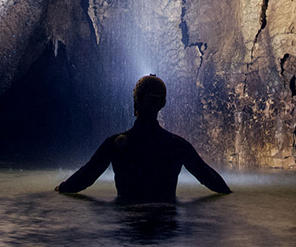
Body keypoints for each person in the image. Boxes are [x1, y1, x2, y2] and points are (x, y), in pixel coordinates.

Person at [55, 74, 232, 201]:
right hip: (166, 224)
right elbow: (212, 181)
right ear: (162, 103)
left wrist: (61, 188)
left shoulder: (115, 144)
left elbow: (85, 177)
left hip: (127, 223)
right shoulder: (177, 145)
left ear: (136, 101)